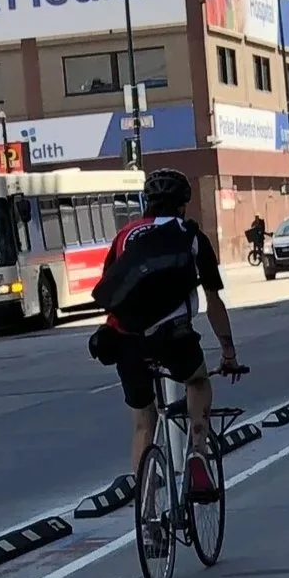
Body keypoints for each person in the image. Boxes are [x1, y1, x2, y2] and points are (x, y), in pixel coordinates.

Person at [93, 169, 242, 503]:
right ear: (183, 205)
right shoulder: (190, 236)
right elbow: (214, 301)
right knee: (198, 382)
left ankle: (146, 512)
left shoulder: (125, 237)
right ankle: (198, 453)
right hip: (173, 337)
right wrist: (228, 352)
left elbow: (111, 290)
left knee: (143, 423)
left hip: (125, 337)